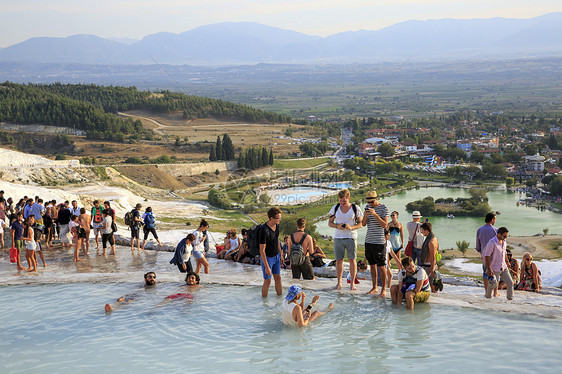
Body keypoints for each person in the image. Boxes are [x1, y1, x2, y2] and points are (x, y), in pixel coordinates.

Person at [327, 189, 363, 290]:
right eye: (341, 201)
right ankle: (339, 283)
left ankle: (352, 283)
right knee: (339, 261)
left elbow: (361, 224)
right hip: (338, 237)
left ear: (349, 198)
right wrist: (337, 226)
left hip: (351, 237)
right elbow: (329, 223)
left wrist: (351, 227)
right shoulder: (335, 208)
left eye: (345, 201)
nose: (342, 203)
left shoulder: (356, 208)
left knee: (352, 260)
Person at [361, 190, 388, 297]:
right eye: (369, 202)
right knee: (372, 266)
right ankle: (374, 287)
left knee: (381, 267)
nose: (370, 204)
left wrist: (375, 214)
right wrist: (366, 215)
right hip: (369, 241)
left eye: (372, 202)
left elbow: (385, 225)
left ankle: (384, 289)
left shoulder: (384, 208)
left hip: (379, 242)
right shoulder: (367, 207)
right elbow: (363, 224)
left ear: (377, 199)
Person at [259, 207, 284, 297]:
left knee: (278, 278)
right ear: (271, 218)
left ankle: (280, 299)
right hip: (267, 258)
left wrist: (281, 254)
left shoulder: (277, 226)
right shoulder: (263, 230)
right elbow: (262, 250)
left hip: (276, 256)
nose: (280, 220)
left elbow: (276, 240)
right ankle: (264, 302)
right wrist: (266, 266)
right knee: (268, 281)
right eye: (278, 218)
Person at [484, 227, 513, 300]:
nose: (505, 237)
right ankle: (488, 299)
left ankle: (510, 299)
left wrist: (507, 262)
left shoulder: (504, 241)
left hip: (503, 267)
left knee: (510, 283)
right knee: (491, 285)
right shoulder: (492, 242)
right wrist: (489, 269)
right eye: (504, 236)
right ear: (499, 234)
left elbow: (504, 252)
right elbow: (487, 256)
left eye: (506, 236)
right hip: (494, 268)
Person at [476, 213, 498, 296]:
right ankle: (495, 292)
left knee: (485, 273)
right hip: (494, 255)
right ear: (492, 220)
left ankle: (486, 292)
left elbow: (478, 245)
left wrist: (481, 251)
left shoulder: (479, 230)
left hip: (484, 255)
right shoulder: (496, 230)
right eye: (495, 219)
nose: (495, 221)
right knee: (496, 273)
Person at [419, 222, 440, 293]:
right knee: (431, 285)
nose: (421, 232)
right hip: (429, 266)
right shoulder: (434, 238)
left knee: (423, 284)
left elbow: (433, 257)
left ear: (426, 230)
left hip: (429, 266)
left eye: (422, 230)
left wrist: (432, 270)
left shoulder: (431, 241)